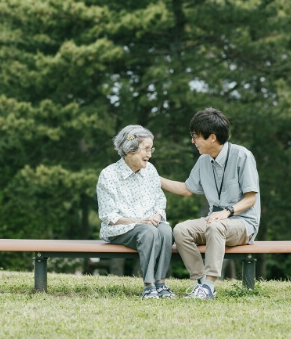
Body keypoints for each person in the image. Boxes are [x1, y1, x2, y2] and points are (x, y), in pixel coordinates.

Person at [161, 108, 261, 299]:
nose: (193, 141)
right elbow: (186, 189)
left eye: (196, 136)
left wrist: (226, 212)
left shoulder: (243, 156)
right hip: (214, 220)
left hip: (243, 223)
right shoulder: (203, 161)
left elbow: (251, 199)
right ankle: (203, 285)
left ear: (212, 137)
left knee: (216, 227)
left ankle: (209, 285)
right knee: (181, 230)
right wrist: (154, 177)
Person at [96, 125, 175, 299]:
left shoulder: (151, 171)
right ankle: (148, 286)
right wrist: (140, 222)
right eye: (146, 149)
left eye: (151, 149)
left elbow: (160, 200)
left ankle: (160, 284)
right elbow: (109, 216)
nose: (150, 154)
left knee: (166, 230)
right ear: (130, 150)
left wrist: (157, 215)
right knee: (148, 231)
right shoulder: (108, 175)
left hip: (148, 225)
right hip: (120, 229)